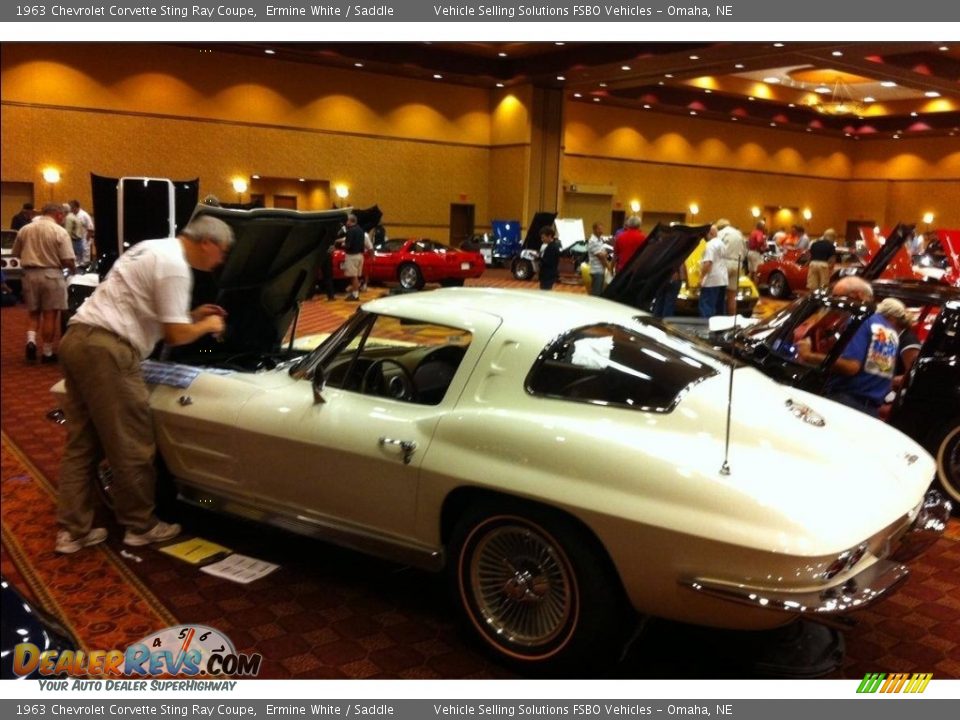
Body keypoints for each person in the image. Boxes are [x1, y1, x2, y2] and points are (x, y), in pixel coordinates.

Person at [55, 215, 234, 554]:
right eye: (222, 252)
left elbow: (141, 305)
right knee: (132, 444)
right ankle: (141, 527)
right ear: (207, 243)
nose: (221, 260)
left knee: (82, 444)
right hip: (109, 351)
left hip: (78, 339)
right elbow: (175, 335)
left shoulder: (152, 248)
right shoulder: (177, 267)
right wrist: (208, 324)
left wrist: (192, 314)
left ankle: (72, 531)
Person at [797, 282, 900, 417]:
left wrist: (808, 355)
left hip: (844, 402)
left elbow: (851, 366)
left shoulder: (862, 321)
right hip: (870, 411)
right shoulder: (889, 331)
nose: (837, 303)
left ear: (857, 296)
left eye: (839, 297)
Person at [11, 202, 75, 363]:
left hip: (29, 275)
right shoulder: (59, 231)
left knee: (33, 313)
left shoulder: (25, 229)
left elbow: (16, 253)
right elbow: (67, 259)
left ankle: (31, 342)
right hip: (52, 275)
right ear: (59, 215)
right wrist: (73, 269)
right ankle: (47, 353)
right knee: (50, 315)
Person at [717, 219, 747, 316]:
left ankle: (719, 318)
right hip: (737, 263)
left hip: (724, 263)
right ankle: (731, 319)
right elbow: (745, 250)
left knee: (719, 294)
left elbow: (716, 248)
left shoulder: (721, 233)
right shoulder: (739, 234)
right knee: (732, 296)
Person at [699, 225, 728, 318]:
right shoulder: (722, 244)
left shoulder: (710, 245)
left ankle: (706, 329)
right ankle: (719, 330)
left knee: (706, 307)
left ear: (709, 233)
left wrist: (701, 277)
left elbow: (708, 263)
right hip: (722, 279)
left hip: (711, 280)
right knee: (719, 308)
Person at [342, 214, 365, 301]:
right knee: (355, 276)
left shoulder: (350, 231)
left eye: (347, 220)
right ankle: (355, 293)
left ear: (351, 221)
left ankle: (355, 295)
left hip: (352, 256)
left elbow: (348, 245)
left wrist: (343, 244)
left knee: (353, 276)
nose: (346, 222)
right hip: (360, 256)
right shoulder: (360, 230)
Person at [586, 222, 612, 296]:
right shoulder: (593, 241)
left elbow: (604, 253)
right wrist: (609, 267)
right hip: (596, 270)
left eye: (602, 229)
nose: (601, 231)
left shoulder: (599, 239)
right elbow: (601, 257)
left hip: (600, 270)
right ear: (594, 229)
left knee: (599, 292)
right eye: (599, 229)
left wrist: (604, 253)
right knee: (596, 294)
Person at [69, 200, 96, 265]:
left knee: (84, 259)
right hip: (75, 240)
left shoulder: (84, 215)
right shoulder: (72, 215)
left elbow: (91, 228)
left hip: (84, 239)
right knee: (76, 258)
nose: (71, 209)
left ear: (76, 207)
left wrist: (87, 240)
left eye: (72, 208)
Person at [538, 225, 560, 290]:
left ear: (550, 236)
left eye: (543, 237)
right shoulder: (550, 246)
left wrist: (539, 258)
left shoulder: (552, 247)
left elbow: (549, 262)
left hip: (548, 276)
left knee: (545, 292)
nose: (542, 240)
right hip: (547, 275)